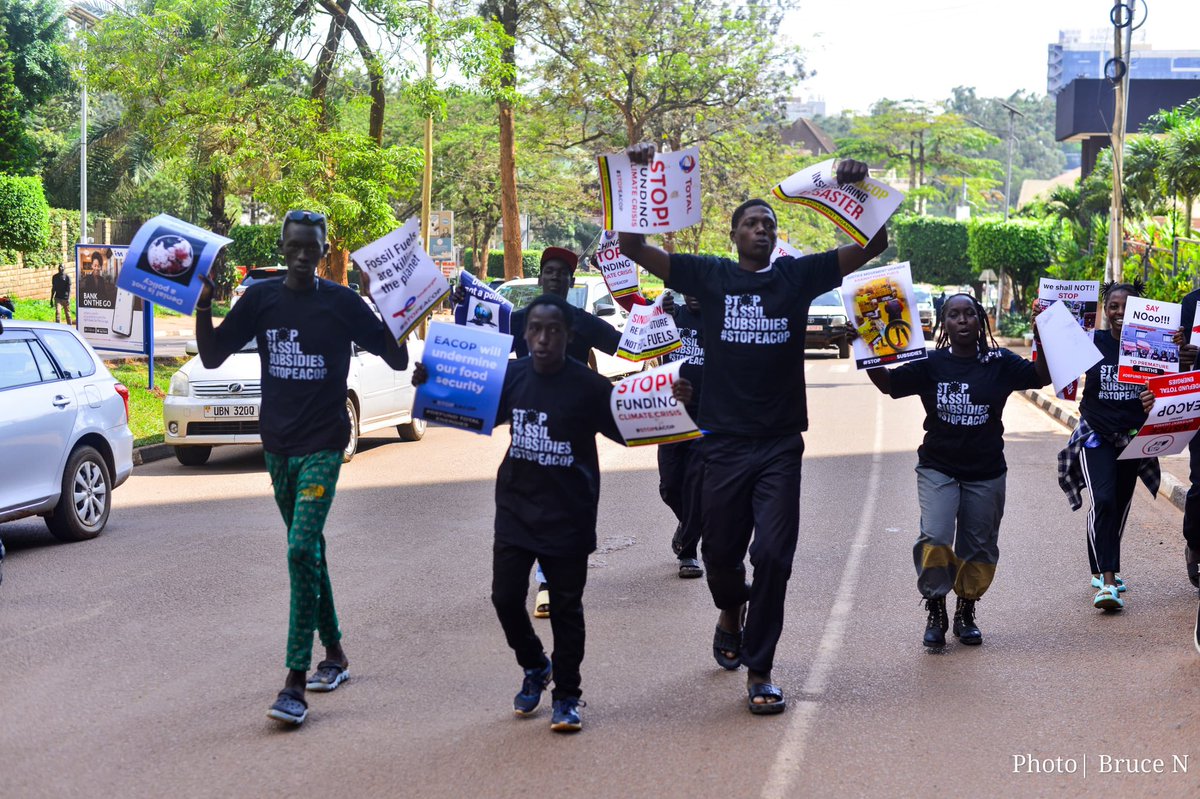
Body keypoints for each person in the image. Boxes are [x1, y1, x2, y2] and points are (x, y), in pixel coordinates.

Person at [619, 143, 887, 715]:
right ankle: (727, 610)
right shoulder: (709, 276)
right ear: (733, 235)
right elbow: (633, 247)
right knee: (720, 553)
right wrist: (640, 175)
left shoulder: (795, 277)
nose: (761, 231)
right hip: (721, 443)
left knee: (774, 556)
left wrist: (859, 189)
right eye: (750, 224)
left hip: (780, 446)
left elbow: (875, 245)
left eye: (768, 224)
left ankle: (760, 668)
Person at [413, 293, 692, 732]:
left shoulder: (589, 386)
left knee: (566, 610)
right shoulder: (512, 376)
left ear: (569, 335)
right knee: (505, 598)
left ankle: (567, 694)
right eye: (536, 331)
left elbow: (630, 429)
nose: (543, 339)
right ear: (525, 336)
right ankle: (534, 664)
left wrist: (679, 402)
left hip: (570, 514)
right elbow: (462, 402)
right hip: (516, 509)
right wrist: (430, 380)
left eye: (553, 331)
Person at [194, 210, 409, 726]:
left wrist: (380, 301)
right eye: (294, 245)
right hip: (277, 448)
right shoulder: (260, 299)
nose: (301, 254)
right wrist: (202, 302)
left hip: (323, 446)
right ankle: (334, 654)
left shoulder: (341, 302)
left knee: (298, 548)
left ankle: (294, 683)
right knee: (308, 552)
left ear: (323, 248)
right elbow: (212, 356)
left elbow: (397, 360)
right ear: (283, 245)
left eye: (311, 246)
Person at [858, 294, 1049, 648]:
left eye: (969, 314)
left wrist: (1043, 334)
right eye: (954, 315)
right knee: (935, 535)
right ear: (943, 324)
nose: (962, 320)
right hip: (938, 466)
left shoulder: (999, 362)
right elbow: (889, 383)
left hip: (986, 470)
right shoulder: (930, 363)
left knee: (979, 546)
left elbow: (1041, 376)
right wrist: (866, 345)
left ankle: (965, 610)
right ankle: (936, 607)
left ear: (981, 320)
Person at [453, 247, 621, 619]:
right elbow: (474, 349)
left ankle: (548, 583)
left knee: (563, 508)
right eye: (549, 271)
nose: (555, 277)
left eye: (563, 272)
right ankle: (530, 582)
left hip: (572, 435)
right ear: (540, 278)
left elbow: (625, 345)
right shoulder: (514, 321)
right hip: (529, 432)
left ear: (571, 282)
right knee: (527, 505)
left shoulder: (584, 322)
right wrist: (461, 309)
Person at [1058, 282, 1159, 611]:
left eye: (1127, 306)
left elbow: (1165, 388)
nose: (1119, 313)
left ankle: (1103, 565)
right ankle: (1109, 580)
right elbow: (1057, 361)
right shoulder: (1091, 342)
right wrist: (1044, 323)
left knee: (1118, 504)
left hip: (1131, 437)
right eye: (1113, 306)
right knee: (1103, 499)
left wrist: (1153, 398)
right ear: (1105, 309)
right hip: (1095, 435)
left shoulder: (1148, 346)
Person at [658, 292, 705, 578]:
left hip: (708, 417)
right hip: (671, 414)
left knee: (698, 488)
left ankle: (688, 552)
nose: (693, 293)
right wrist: (659, 310)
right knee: (670, 487)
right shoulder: (670, 316)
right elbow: (637, 315)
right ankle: (687, 525)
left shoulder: (720, 317)